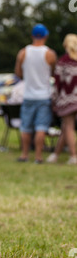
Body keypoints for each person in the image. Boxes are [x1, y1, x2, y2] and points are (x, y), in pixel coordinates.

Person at [14, 23, 57, 163]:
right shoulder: (49, 54)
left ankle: (24, 154)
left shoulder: (23, 53)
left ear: (32, 35)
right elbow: (54, 73)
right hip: (44, 95)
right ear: (46, 36)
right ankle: (38, 156)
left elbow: (18, 73)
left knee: (25, 127)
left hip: (28, 95)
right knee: (41, 127)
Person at [50, 34, 77, 165]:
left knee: (69, 126)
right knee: (66, 127)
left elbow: (58, 84)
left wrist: (54, 100)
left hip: (68, 99)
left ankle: (73, 156)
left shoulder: (63, 61)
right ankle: (55, 154)